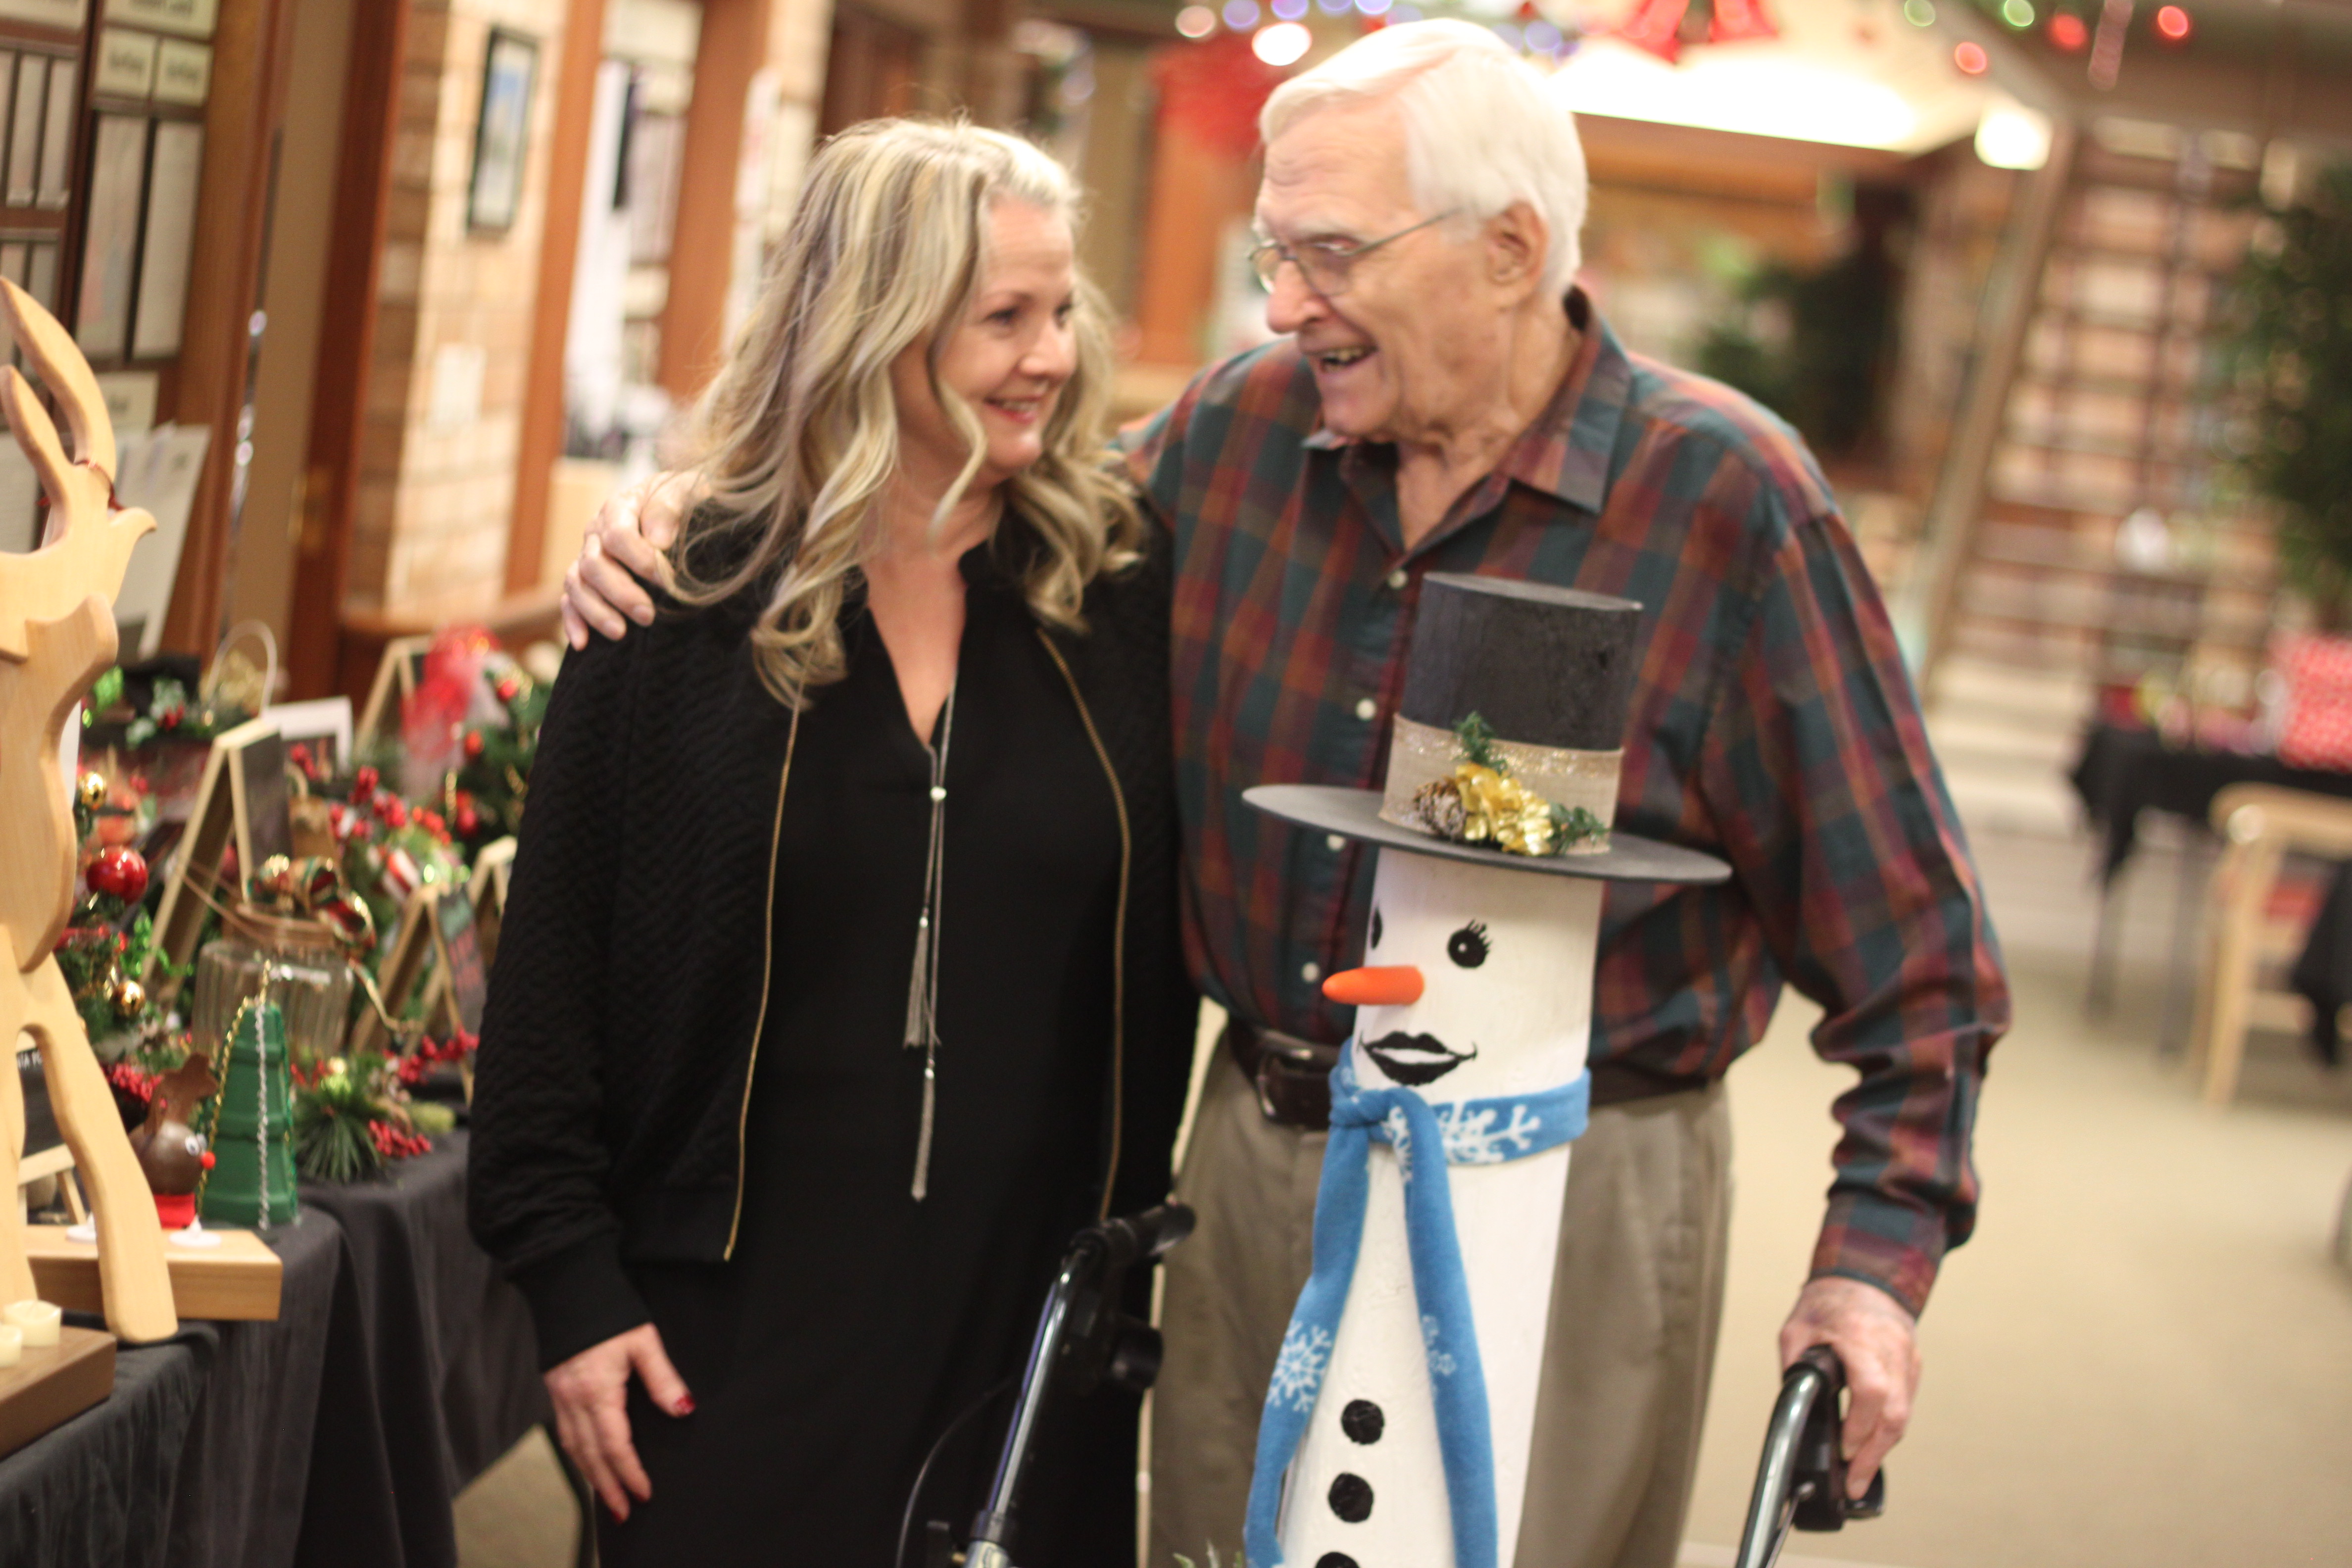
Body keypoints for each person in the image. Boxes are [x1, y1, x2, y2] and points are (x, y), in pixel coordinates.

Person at [564, 24, 2009, 1568]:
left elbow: (1920, 969)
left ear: (1510, 249)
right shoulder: (1237, 436)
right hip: (1256, 1159)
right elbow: (949, 499)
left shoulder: (1728, 502)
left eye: (1329, 254)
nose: (1281, 303)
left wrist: (1870, 1270)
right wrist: (699, 513)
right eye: (1272, 253)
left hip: (1566, 1189)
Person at [469, 118, 1196, 1568]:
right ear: (878, 325)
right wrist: (572, 1292)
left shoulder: (1112, 585)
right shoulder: (682, 603)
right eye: (1004, 317)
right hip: (722, 1333)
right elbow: (546, 996)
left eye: (1062, 311)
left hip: (1027, 1331)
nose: (1052, 353)